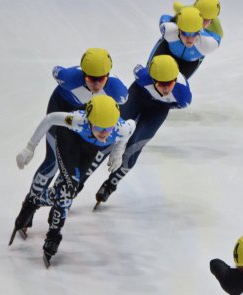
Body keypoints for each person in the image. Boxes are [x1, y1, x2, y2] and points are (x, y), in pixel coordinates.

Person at [11, 95, 135, 267]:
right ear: (90, 121)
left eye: (108, 128)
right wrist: (30, 147)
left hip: (89, 148)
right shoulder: (78, 120)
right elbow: (50, 119)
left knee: (68, 190)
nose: (104, 133)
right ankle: (54, 234)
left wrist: (117, 152)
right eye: (99, 127)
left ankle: (32, 202)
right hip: (68, 140)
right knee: (69, 188)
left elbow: (131, 127)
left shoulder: (121, 128)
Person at [23, 48, 128, 228]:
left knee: (73, 167)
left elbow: (120, 123)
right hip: (63, 109)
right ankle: (29, 206)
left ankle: (58, 200)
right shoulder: (68, 77)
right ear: (83, 75)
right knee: (52, 161)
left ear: (108, 76)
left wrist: (118, 151)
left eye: (101, 79)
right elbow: (56, 70)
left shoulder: (119, 92)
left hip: (89, 121)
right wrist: (30, 147)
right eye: (90, 79)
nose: (96, 84)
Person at [92, 54, 192, 207]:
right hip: (138, 96)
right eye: (161, 83)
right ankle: (82, 178)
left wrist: (162, 104)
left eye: (170, 83)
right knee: (110, 133)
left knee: (135, 146)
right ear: (152, 80)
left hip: (159, 109)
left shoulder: (183, 94)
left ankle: (110, 185)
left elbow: (178, 105)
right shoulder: (142, 76)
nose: (166, 88)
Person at [148, 2, 221, 79]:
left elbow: (218, 35)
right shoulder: (169, 30)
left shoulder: (208, 44)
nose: (189, 39)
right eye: (185, 33)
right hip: (167, 50)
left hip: (188, 64)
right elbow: (165, 17)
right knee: (149, 76)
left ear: (200, 32)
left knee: (174, 87)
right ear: (178, 30)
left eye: (194, 34)